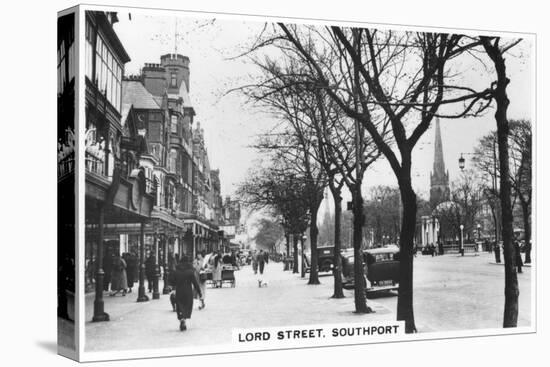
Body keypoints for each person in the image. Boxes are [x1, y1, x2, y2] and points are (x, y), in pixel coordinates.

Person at [171, 255, 203, 331]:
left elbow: (172, 281)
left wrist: (173, 288)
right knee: (187, 306)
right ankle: (184, 319)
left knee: (180, 306)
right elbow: (195, 283)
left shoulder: (176, 271)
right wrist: (199, 292)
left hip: (179, 291)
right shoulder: (190, 272)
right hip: (188, 292)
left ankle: (181, 318)